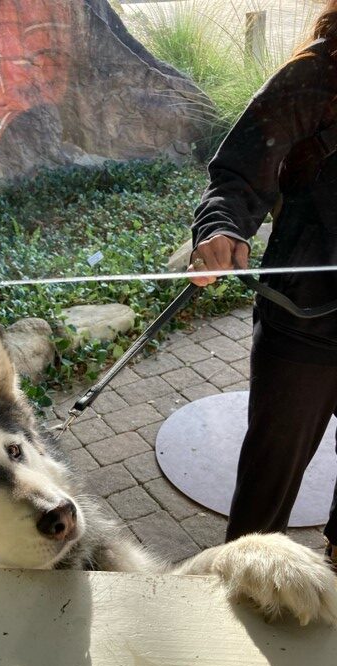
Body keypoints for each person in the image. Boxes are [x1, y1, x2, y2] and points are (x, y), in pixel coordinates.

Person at [188, 1, 337, 562]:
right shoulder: (318, 74)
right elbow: (236, 176)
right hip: (302, 325)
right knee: (264, 500)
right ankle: (238, 595)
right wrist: (221, 229)